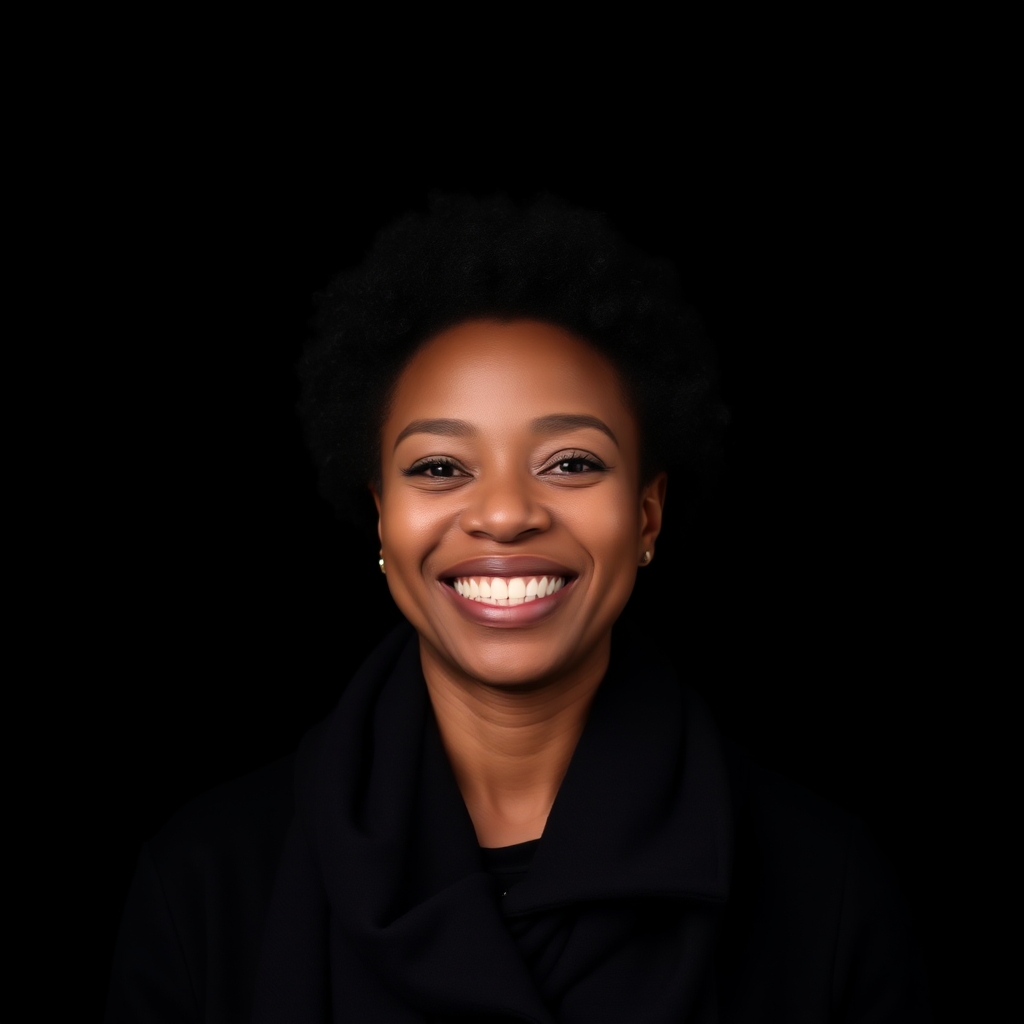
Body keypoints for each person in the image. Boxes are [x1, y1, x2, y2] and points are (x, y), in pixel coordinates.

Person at [105, 195, 931, 1022]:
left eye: (570, 463)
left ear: (646, 516)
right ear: (382, 517)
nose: (504, 515)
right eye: (439, 468)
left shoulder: (824, 888)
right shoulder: (204, 884)